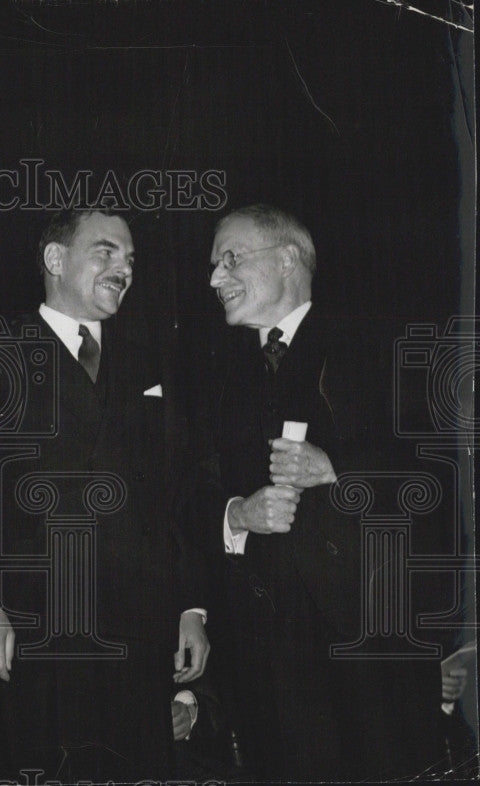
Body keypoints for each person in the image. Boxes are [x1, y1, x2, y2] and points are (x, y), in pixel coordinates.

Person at [198, 203, 443, 780]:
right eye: (213, 265)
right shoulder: (209, 374)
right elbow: (192, 492)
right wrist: (238, 515)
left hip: (367, 649)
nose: (214, 278)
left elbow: (435, 472)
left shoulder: (381, 343)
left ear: (287, 259)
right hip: (264, 660)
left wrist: (337, 468)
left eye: (231, 259)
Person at [0, 208, 209, 782]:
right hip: (38, 625)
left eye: (130, 259)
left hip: (141, 629)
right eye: (106, 251)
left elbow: (179, 492)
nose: (123, 267)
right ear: (55, 260)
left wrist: (189, 607)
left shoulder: (151, 359)